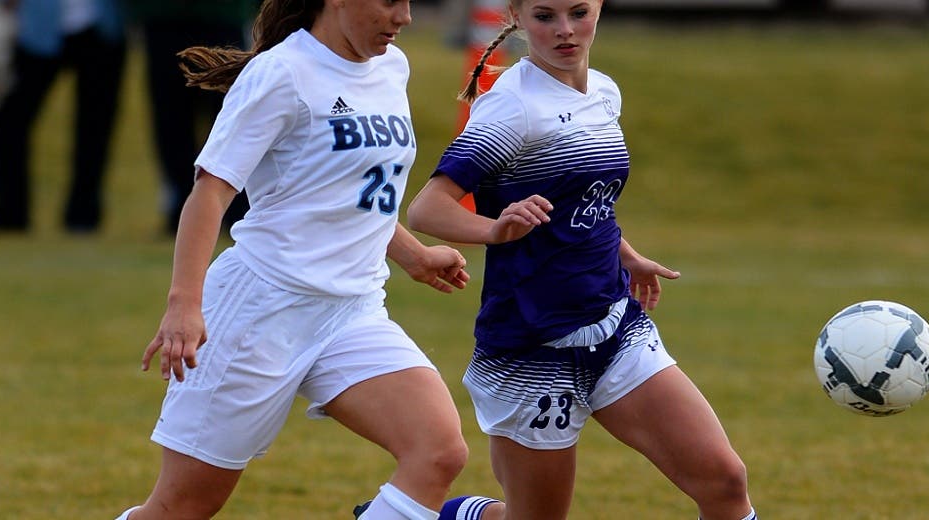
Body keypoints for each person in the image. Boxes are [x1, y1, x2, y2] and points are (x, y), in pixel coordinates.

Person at [113, 1, 478, 519]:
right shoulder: (281, 73)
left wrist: (412, 254)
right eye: (389, 1)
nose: (405, 16)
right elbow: (210, 193)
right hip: (260, 311)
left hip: (352, 311)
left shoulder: (392, 67)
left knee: (439, 451)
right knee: (182, 507)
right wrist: (184, 305)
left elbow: (347, 191)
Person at [406, 0, 757, 519]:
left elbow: (587, 201)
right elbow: (426, 209)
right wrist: (494, 230)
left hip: (615, 327)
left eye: (579, 12)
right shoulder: (512, 107)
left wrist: (627, 255)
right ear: (517, 16)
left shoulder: (604, 92)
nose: (565, 31)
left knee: (725, 483)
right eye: (545, 16)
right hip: (532, 348)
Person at [0, 0, 125, 233]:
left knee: (95, 126)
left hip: (102, 26)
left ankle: (83, 214)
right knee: (11, 119)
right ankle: (10, 212)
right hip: (39, 30)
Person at [124, 0, 256, 235]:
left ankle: (238, 209)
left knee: (232, 119)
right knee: (171, 122)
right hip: (165, 18)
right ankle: (181, 206)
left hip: (223, 17)